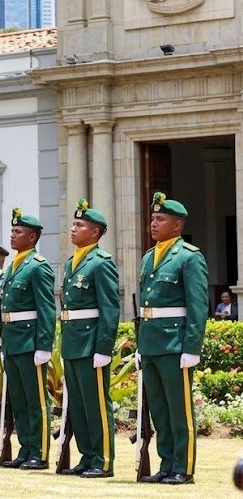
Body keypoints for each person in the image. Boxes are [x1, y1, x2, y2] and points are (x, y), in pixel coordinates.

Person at [136, 192, 208, 485]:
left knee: (179, 410)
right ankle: (166, 464)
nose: (153, 223)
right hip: (152, 343)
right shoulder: (148, 258)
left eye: (161, 219)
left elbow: (198, 305)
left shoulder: (189, 257)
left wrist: (191, 347)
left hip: (175, 344)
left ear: (177, 225)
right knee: (160, 410)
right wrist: (140, 346)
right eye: (153, 218)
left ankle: (183, 467)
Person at [59, 199, 119, 479]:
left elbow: (110, 307)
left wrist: (104, 348)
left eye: (80, 225)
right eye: (73, 223)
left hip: (91, 341)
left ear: (95, 233)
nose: (73, 228)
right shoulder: (72, 261)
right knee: (79, 405)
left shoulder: (101, 262)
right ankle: (86, 455)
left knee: (95, 403)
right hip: (73, 342)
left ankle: (103, 459)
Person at [0, 208, 55, 471]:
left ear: (32, 237)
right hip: (12, 342)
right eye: (12, 231)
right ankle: (25, 448)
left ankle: (39, 452)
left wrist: (44, 345)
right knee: (19, 400)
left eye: (18, 232)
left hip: (30, 342)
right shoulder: (14, 266)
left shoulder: (38, 267)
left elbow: (46, 309)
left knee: (35, 401)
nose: (12, 235)